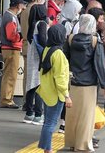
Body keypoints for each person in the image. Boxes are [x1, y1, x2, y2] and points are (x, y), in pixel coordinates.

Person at [64, 14, 105, 152]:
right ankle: (82, 144)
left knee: (72, 115)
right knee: (86, 115)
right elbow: (99, 64)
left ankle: (71, 141)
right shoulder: (95, 41)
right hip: (88, 84)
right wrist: (104, 85)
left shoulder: (70, 39)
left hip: (72, 82)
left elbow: (65, 60)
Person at [37, 24, 71, 153]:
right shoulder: (59, 54)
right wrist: (66, 95)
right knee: (50, 124)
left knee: (47, 122)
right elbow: (60, 78)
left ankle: (46, 148)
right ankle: (47, 149)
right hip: (55, 94)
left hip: (46, 91)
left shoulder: (47, 49)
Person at [0, 0, 27, 108]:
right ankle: (6, 100)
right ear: (17, 5)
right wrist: (20, 36)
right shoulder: (10, 17)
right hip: (11, 49)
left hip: (9, 49)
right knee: (10, 75)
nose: (23, 6)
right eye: (22, 4)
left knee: (9, 74)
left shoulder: (8, 15)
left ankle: (8, 98)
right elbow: (11, 36)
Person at [24, 4, 48, 125]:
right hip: (39, 58)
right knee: (39, 86)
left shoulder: (32, 25)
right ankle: (38, 115)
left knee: (31, 86)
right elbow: (43, 39)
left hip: (32, 57)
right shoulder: (42, 24)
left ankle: (29, 113)